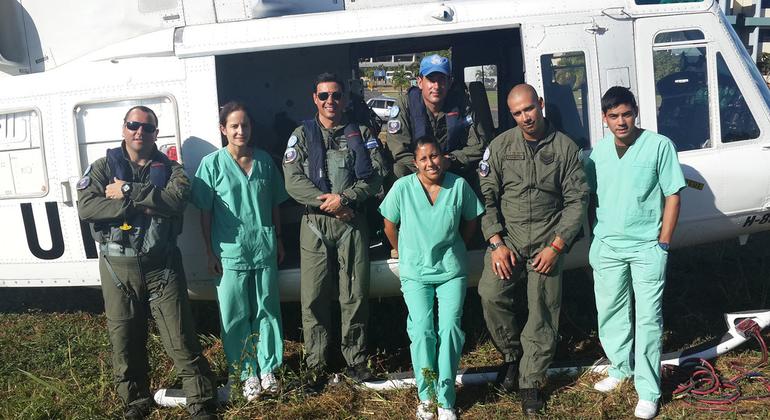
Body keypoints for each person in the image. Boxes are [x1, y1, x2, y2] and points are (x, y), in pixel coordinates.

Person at [77, 106, 217, 419]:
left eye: (147, 127)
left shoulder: (171, 170)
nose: (140, 132)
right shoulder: (101, 167)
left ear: (156, 133)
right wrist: (141, 206)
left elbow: (177, 200)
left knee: (181, 336)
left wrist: (127, 191)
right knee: (124, 337)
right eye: (133, 125)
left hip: (162, 265)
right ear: (124, 128)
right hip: (117, 267)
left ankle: (200, 400)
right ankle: (135, 400)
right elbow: (87, 207)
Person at [477, 84, 589, 414]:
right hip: (508, 239)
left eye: (529, 109)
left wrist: (557, 246)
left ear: (540, 104)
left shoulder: (566, 148)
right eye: (517, 113)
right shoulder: (499, 147)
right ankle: (513, 357)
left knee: (542, 309)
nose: (525, 117)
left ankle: (531, 381)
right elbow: (487, 199)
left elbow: (576, 201)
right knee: (491, 294)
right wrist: (496, 243)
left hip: (546, 240)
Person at [584, 86, 685, 419]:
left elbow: (673, 194)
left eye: (626, 114)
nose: (621, 121)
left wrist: (663, 242)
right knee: (610, 312)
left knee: (648, 319)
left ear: (636, 112)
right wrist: (595, 242)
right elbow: (590, 199)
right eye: (613, 116)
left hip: (646, 247)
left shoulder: (659, 146)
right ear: (604, 118)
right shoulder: (597, 153)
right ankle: (621, 367)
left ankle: (649, 390)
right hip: (609, 245)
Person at [282, 72, 385, 389]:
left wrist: (346, 199)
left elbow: (377, 174)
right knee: (313, 296)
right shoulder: (301, 135)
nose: (330, 101)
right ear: (315, 98)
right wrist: (327, 203)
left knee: (353, 294)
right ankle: (316, 364)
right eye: (324, 95)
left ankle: (355, 359)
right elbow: (292, 180)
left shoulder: (362, 133)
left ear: (345, 99)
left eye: (336, 95)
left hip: (351, 221)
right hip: (315, 223)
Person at [379, 136, 484, 420]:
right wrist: (402, 251)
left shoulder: (458, 186)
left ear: (444, 158)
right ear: (415, 164)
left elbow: (471, 221)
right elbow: (389, 224)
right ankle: (427, 396)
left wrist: (457, 245)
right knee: (423, 331)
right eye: (423, 158)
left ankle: (446, 398)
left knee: (449, 329)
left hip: (451, 270)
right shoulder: (403, 188)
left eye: (435, 156)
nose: (430, 162)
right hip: (415, 271)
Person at [191, 102, 287, 401]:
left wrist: (279, 238)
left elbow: (274, 204)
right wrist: (209, 251)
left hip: (263, 247)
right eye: (233, 125)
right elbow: (204, 213)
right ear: (223, 129)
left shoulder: (264, 162)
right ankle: (246, 373)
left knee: (267, 310)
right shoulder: (211, 165)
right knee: (234, 314)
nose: (240, 130)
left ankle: (269, 369)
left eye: (244, 125)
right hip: (228, 252)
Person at [385, 54, 488, 180]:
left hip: (452, 169)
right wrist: (428, 169)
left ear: (449, 82)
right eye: (431, 80)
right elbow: (398, 150)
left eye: (441, 79)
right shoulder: (405, 104)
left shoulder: (462, 104)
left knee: (483, 171)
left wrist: (449, 161)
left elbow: (479, 146)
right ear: (420, 82)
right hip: (416, 172)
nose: (436, 86)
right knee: (398, 170)